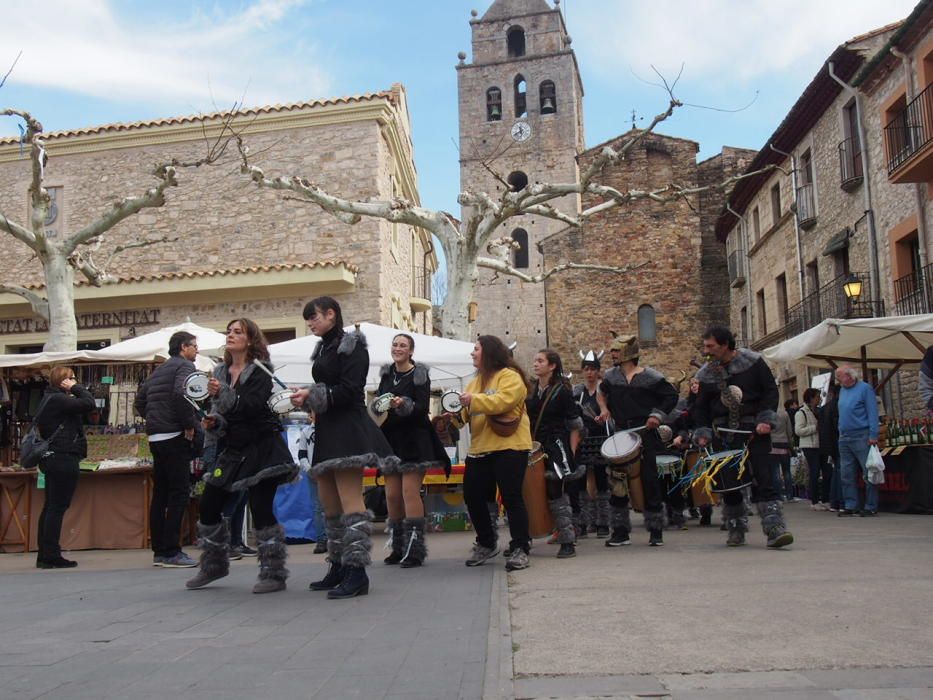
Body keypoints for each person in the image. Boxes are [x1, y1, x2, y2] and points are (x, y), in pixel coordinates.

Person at [291, 297, 399, 599]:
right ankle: (338, 564)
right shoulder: (325, 346)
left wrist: (312, 394)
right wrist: (309, 396)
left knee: (351, 500)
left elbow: (351, 390)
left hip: (348, 429)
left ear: (331, 314)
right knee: (330, 503)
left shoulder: (352, 345)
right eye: (308, 318)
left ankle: (357, 571)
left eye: (313, 317)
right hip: (327, 429)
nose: (310, 323)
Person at [186, 319, 298, 593]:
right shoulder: (220, 371)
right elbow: (224, 411)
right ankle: (213, 565)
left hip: (262, 445)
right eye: (229, 331)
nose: (231, 335)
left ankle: (273, 573)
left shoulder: (260, 370)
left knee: (260, 507)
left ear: (250, 340)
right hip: (234, 448)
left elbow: (250, 406)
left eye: (238, 332)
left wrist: (223, 394)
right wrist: (214, 422)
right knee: (210, 503)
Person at [693, 326, 793, 548]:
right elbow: (699, 408)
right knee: (729, 485)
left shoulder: (753, 363)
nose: (706, 350)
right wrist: (702, 432)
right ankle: (736, 528)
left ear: (725, 345)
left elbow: (770, 391)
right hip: (723, 434)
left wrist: (765, 419)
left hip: (753, 431)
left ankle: (775, 528)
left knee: (764, 479)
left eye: (710, 346)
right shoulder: (705, 374)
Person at [451, 335, 533, 571]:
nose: (472, 353)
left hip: (510, 447)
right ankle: (487, 542)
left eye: (475, 349)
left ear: (487, 352)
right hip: (480, 448)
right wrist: (452, 417)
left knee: (512, 498)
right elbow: (465, 415)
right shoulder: (474, 382)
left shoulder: (510, 376)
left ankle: (520, 547)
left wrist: (472, 400)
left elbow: (501, 402)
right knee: (472, 496)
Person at [377, 333, 451, 568]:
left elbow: (421, 408)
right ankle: (398, 546)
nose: (398, 348)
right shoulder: (387, 374)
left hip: (414, 439)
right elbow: (379, 403)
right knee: (392, 495)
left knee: (410, 493)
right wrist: (380, 405)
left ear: (411, 351)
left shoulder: (419, 374)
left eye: (403, 345)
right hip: (391, 439)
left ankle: (415, 549)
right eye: (395, 344)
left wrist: (404, 405)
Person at [597, 334, 678, 547]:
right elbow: (601, 392)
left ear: (628, 352)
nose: (612, 353)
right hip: (621, 433)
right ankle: (620, 532)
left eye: (616, 350)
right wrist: (604, 409)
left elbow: (671, 396)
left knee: (650, 481)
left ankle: (656, 529)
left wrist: (656, 416)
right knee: (617, 483)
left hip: (646, 434)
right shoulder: (610, 376)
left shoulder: (651, 376)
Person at [134, 331, 200, 568]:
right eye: (194, 346)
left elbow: (139, 403)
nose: (197, 350)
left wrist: (155, 420)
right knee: (179, 493)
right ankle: (172, 551)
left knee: (161, 494)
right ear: (184, 347)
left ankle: (160, 551)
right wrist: (189, 425)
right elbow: (182, 395)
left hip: (156, 437)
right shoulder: (185, 367)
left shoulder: (158, 370)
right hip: (174, 435)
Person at [34, 366, 95, 569]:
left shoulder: (49, 399)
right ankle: (51, 554)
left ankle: (45, 554)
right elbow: (89, 403)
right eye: (72, 378)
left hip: (53, 458)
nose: (75, 381)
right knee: (57, 507)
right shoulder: (60, 400)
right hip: (63, 456)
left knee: (50, 506)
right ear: (64, 381)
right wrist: (77, 387)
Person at [527, 349, 583, 558]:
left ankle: (567, 540)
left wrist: (571, 452)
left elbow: (575, 424)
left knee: (555, 492)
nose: (536, 364)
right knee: (530, 490)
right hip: (536, 445)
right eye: (535, 360)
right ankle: (524, 539)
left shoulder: (562, 391)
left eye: (540, 361)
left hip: (557, 445)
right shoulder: (533, 390)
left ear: (552, 366)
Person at [573, 350, 611, 538]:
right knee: (580, 480)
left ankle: (602, 522)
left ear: (598, 371)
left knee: (601, 479)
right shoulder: (577, 392)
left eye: (593, 369)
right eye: (586, 369)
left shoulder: (604, 391)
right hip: (583, 439)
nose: (589, 373)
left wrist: (605, 418)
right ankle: (583, 522)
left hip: (601, 438)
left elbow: (612, 412)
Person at [834, 366, 880, 517]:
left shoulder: (865, 389)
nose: (837, 379)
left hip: (862, 434)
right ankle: (850, 504)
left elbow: (872, 411)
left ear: (849, 376)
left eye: (839, 376)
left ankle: (870, 505)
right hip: (844, 437)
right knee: (846, 474)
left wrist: (873, 435)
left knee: (868, 473)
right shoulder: (842, 390)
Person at [796, 388, 830, 510]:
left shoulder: (819, 411)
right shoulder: (801, 412)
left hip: (821, 445)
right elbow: (798, 430)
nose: (819, 399)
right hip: (809, 446)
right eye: (817, 397)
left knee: (826, 471)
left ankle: (826, 499)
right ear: (810, 398)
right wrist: (814, 428)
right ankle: (814, 501)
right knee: (814, 472)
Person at [819, 384, 843, 510]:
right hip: (838, 442)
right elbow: (837, 427)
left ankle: (834, 501)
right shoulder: (838, 406)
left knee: (835, 472)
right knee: (841, 472)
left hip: (828, 444)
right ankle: (841, 501)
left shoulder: (824, 408)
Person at [770, 400, 794, 505]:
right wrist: (790, 444)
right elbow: (789, 431)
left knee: (775, 472)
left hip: (772, 445)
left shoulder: (768, 415)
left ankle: (779, 496)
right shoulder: (784, 414)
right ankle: (790, 495)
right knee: (787, 471)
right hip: (784, 443)